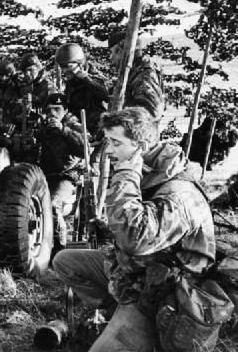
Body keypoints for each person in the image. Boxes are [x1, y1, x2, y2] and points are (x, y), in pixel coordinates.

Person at [52, 107, 216, 352]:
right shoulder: (153, 173)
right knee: (66, 261)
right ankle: (118, 312)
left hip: (170, 296)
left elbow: (135, 238)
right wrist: (110, 228)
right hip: (141, 274)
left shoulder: (178, 194)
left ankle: (140, 327)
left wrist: (127, 172)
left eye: (116, 143)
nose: (109, 150)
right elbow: (146, 229)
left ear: (141, 146)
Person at [36, 93, 85, 252]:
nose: (52, 113)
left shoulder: (74, 126)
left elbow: (84, 149)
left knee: (52, 206)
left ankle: (59, 250)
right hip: (43, 177)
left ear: (65, 110)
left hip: (66, 176)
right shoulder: (42, 126)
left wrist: (63, 130)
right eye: (49, 110)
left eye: (57, 109)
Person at [55, 43, 110, 136]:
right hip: (78, 127)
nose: (64, 71)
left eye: (68, 66)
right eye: (62, 67)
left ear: (79, 64)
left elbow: (106, 96)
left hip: (97, 129)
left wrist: (86, 79)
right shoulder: (71, 81)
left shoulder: (96, 78)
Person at [108, 31, 165, 121]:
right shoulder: (135, 72)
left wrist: (120, 115)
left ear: (120, 51)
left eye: (113, 53)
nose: (111, 58)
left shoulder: (144, 74)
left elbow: (152, 112)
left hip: (139, 132)